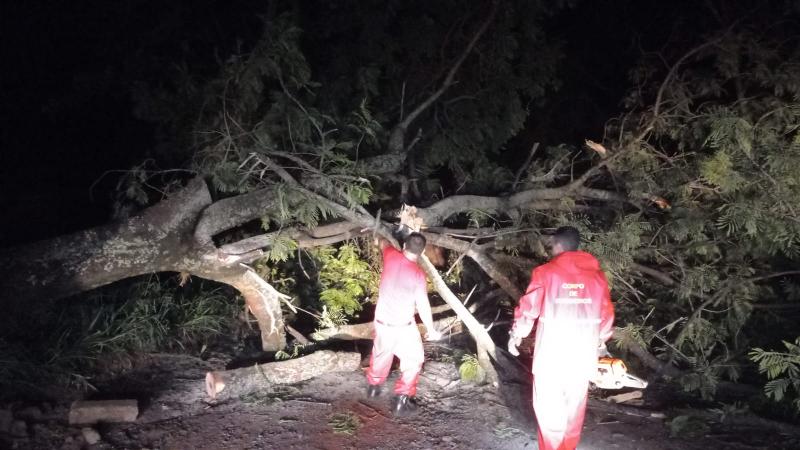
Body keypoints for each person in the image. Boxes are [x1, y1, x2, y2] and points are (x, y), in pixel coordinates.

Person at [508, 226, 614, 450]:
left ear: (557, 245)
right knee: (573, 415)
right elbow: (606, 315)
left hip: (551, 357)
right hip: (583, 358)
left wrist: (517, 334)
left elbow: (529, 309)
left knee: (549, 415)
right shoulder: (597, 277)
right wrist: (601, 342)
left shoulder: (545, 273)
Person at [366, 230, 442, 416]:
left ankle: (373, 388)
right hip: (403, 328)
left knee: (381, 354)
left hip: (382, 323)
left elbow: (383, 242)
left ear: (404, 246)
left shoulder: (391, 255)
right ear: (422, 252)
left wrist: (377, 237)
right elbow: (423, 305)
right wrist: (431, 329)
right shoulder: (418, 274)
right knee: (414, 361)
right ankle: (402, 400)